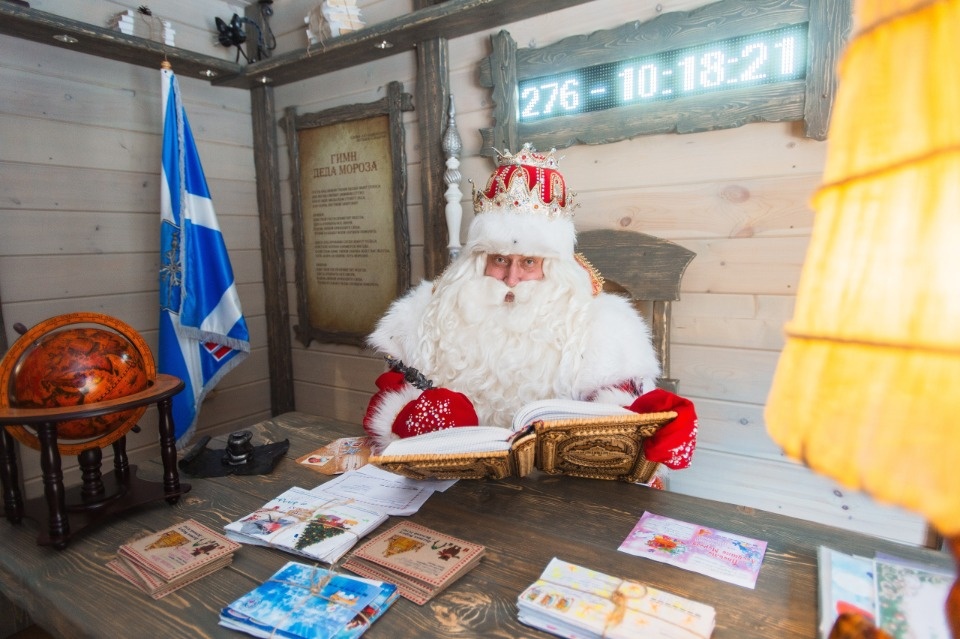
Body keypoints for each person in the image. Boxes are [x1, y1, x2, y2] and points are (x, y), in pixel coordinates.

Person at [362, 144, 697, 475]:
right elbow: (391, 400)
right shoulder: (427, 314)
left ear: (552, 266)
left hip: (555, 489)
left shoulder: (605, 324)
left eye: (529, 262)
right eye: (499, 260)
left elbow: (623, 412)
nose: (512, 278)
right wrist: (413, 418)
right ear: (479, 260)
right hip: (453, 481)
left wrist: (649, 424)